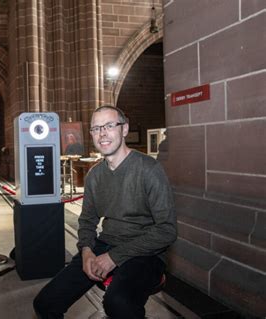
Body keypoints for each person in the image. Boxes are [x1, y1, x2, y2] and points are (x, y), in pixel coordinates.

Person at [33, 105, 177, 319]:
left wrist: (113, 257)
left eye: (109, 126)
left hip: (146, 251)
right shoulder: (94, 176)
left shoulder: (149, 169)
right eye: (96, 128)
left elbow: (166, 230)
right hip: (106, 243)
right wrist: (87, 251)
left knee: (118, 304)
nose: (102, 134)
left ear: (124, 129)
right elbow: (88, 220)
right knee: (45, 303)